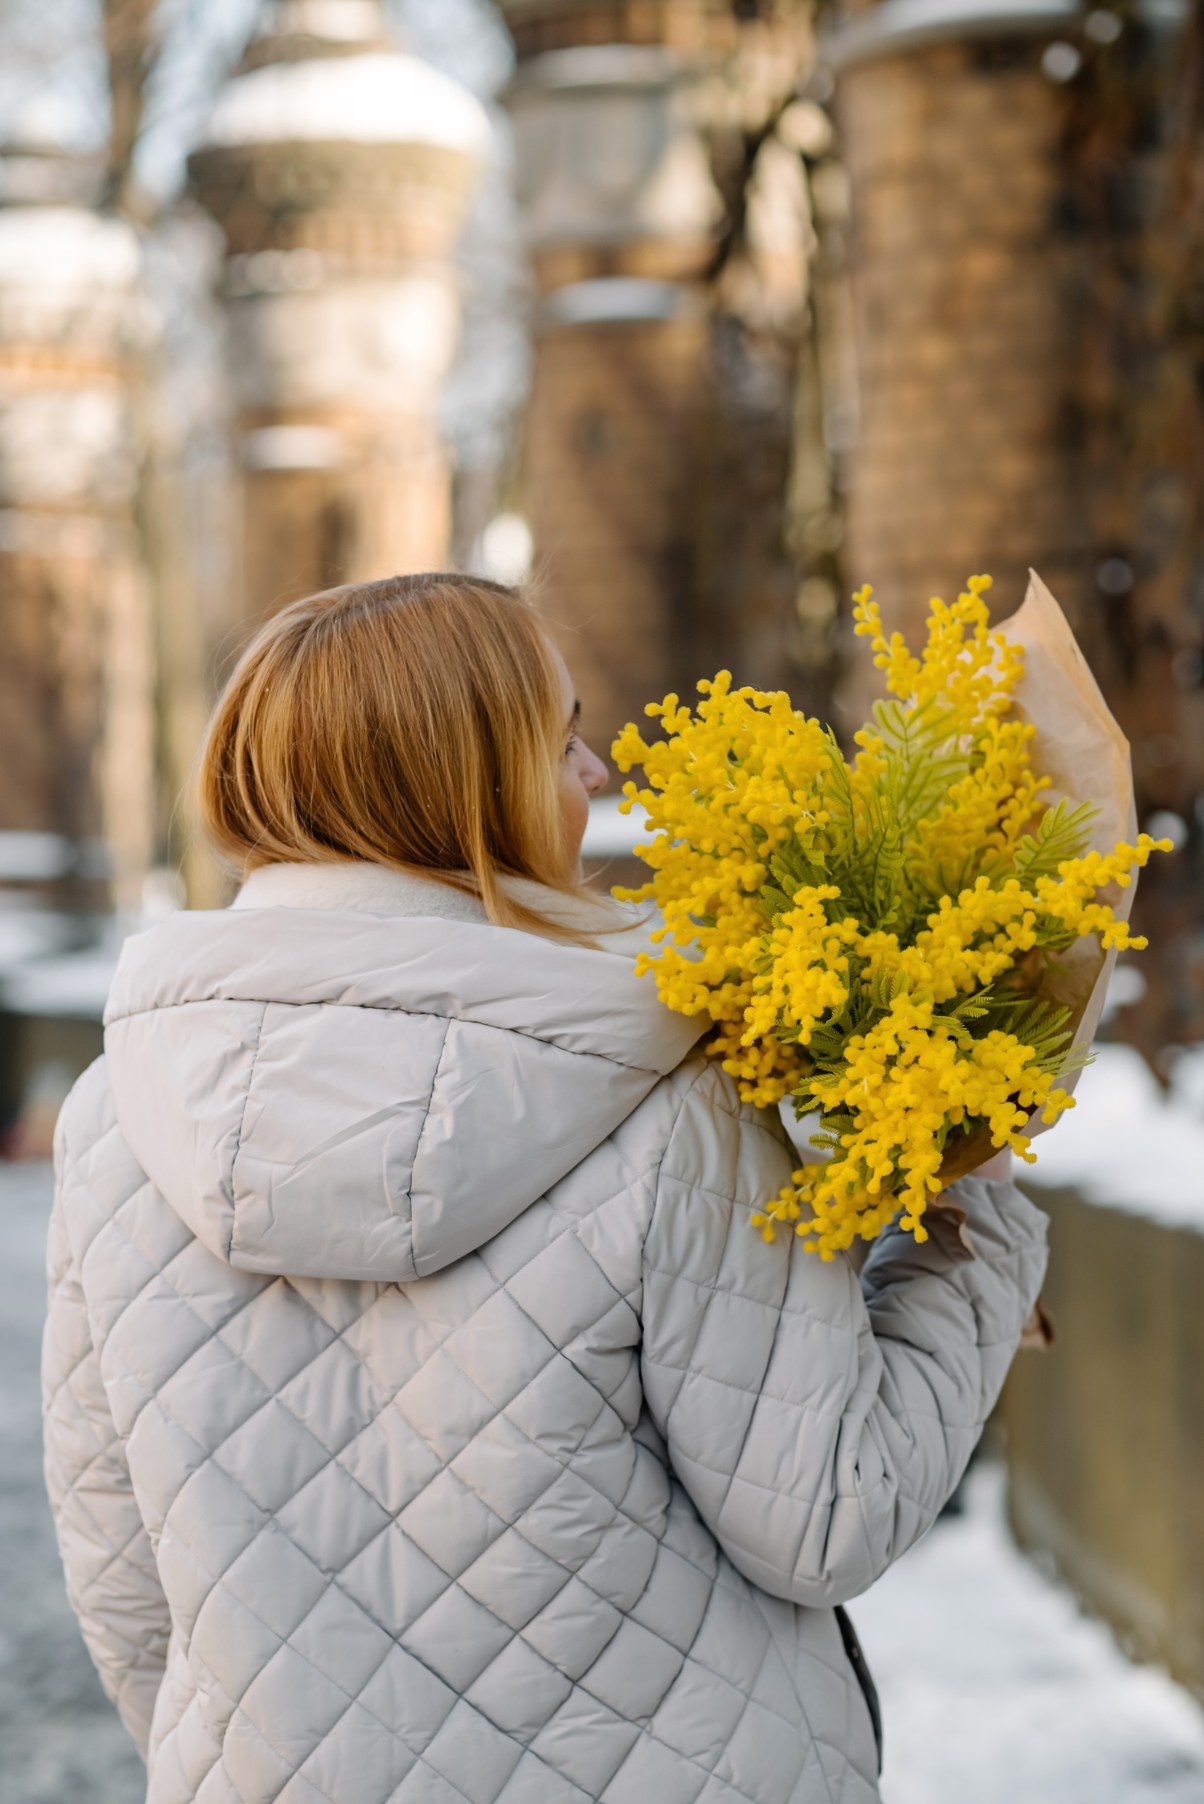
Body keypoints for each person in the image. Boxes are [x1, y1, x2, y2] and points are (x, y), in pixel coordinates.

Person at [43, 573, 1048, 1804]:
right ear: (468, 786)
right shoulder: (670, 1101)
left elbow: (123, 1582)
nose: (594, 773)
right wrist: (972, 1205)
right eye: (560, 740)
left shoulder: (113, 1119)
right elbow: (830, 1512)